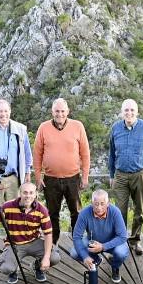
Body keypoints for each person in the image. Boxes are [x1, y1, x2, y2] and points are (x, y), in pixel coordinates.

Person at [107, 99, 143, 256]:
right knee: (119, 211)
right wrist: (111, 175)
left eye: (132, 110)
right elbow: (111, 153)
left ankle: (135, 240)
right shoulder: (116, 128)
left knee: (139, 209)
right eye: (126, 110)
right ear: (122, 112)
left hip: (141, 174)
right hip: (120, 175)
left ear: (137, 112)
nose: (129, 113)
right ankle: (119, 242)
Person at [33, 98, 91, 246]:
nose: (60, 114)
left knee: (76, 212)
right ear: (52, 112)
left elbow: (85, 153)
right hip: (50, 179)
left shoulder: (77, 126)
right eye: (57, 111)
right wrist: (38, 178)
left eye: (62, 111)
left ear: (68, 111)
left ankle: (77, 242)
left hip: (73, 178)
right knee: (52, 214)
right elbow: (37, 154)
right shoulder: (43, 127)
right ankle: (53, 244)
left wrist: (85, 177)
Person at [0, 182, 62, 284]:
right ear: (19, 193)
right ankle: (13, 270)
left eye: (31, 193)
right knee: (6, 268)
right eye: (25, 192)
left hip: (34, 241)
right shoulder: (8, 206)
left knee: (54, 257)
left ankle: (37, 266)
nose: (28, 196)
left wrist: (46, 258)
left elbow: (48, 234)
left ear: (35, 195)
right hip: (15, 243)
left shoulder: (42, 210)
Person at [71, 189, 130, 283]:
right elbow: (77, 237)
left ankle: (115, 267)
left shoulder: (115, 212)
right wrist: (85, 256)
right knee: (74, 252)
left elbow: (122, 236)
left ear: (108, 203)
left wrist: (103, 246)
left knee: (121, 253)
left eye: (102, 203)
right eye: (96, 204)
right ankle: (95, 260)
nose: (99, 207)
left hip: (113, 241)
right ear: (91, 203)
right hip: (93, 241)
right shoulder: (84, 213)